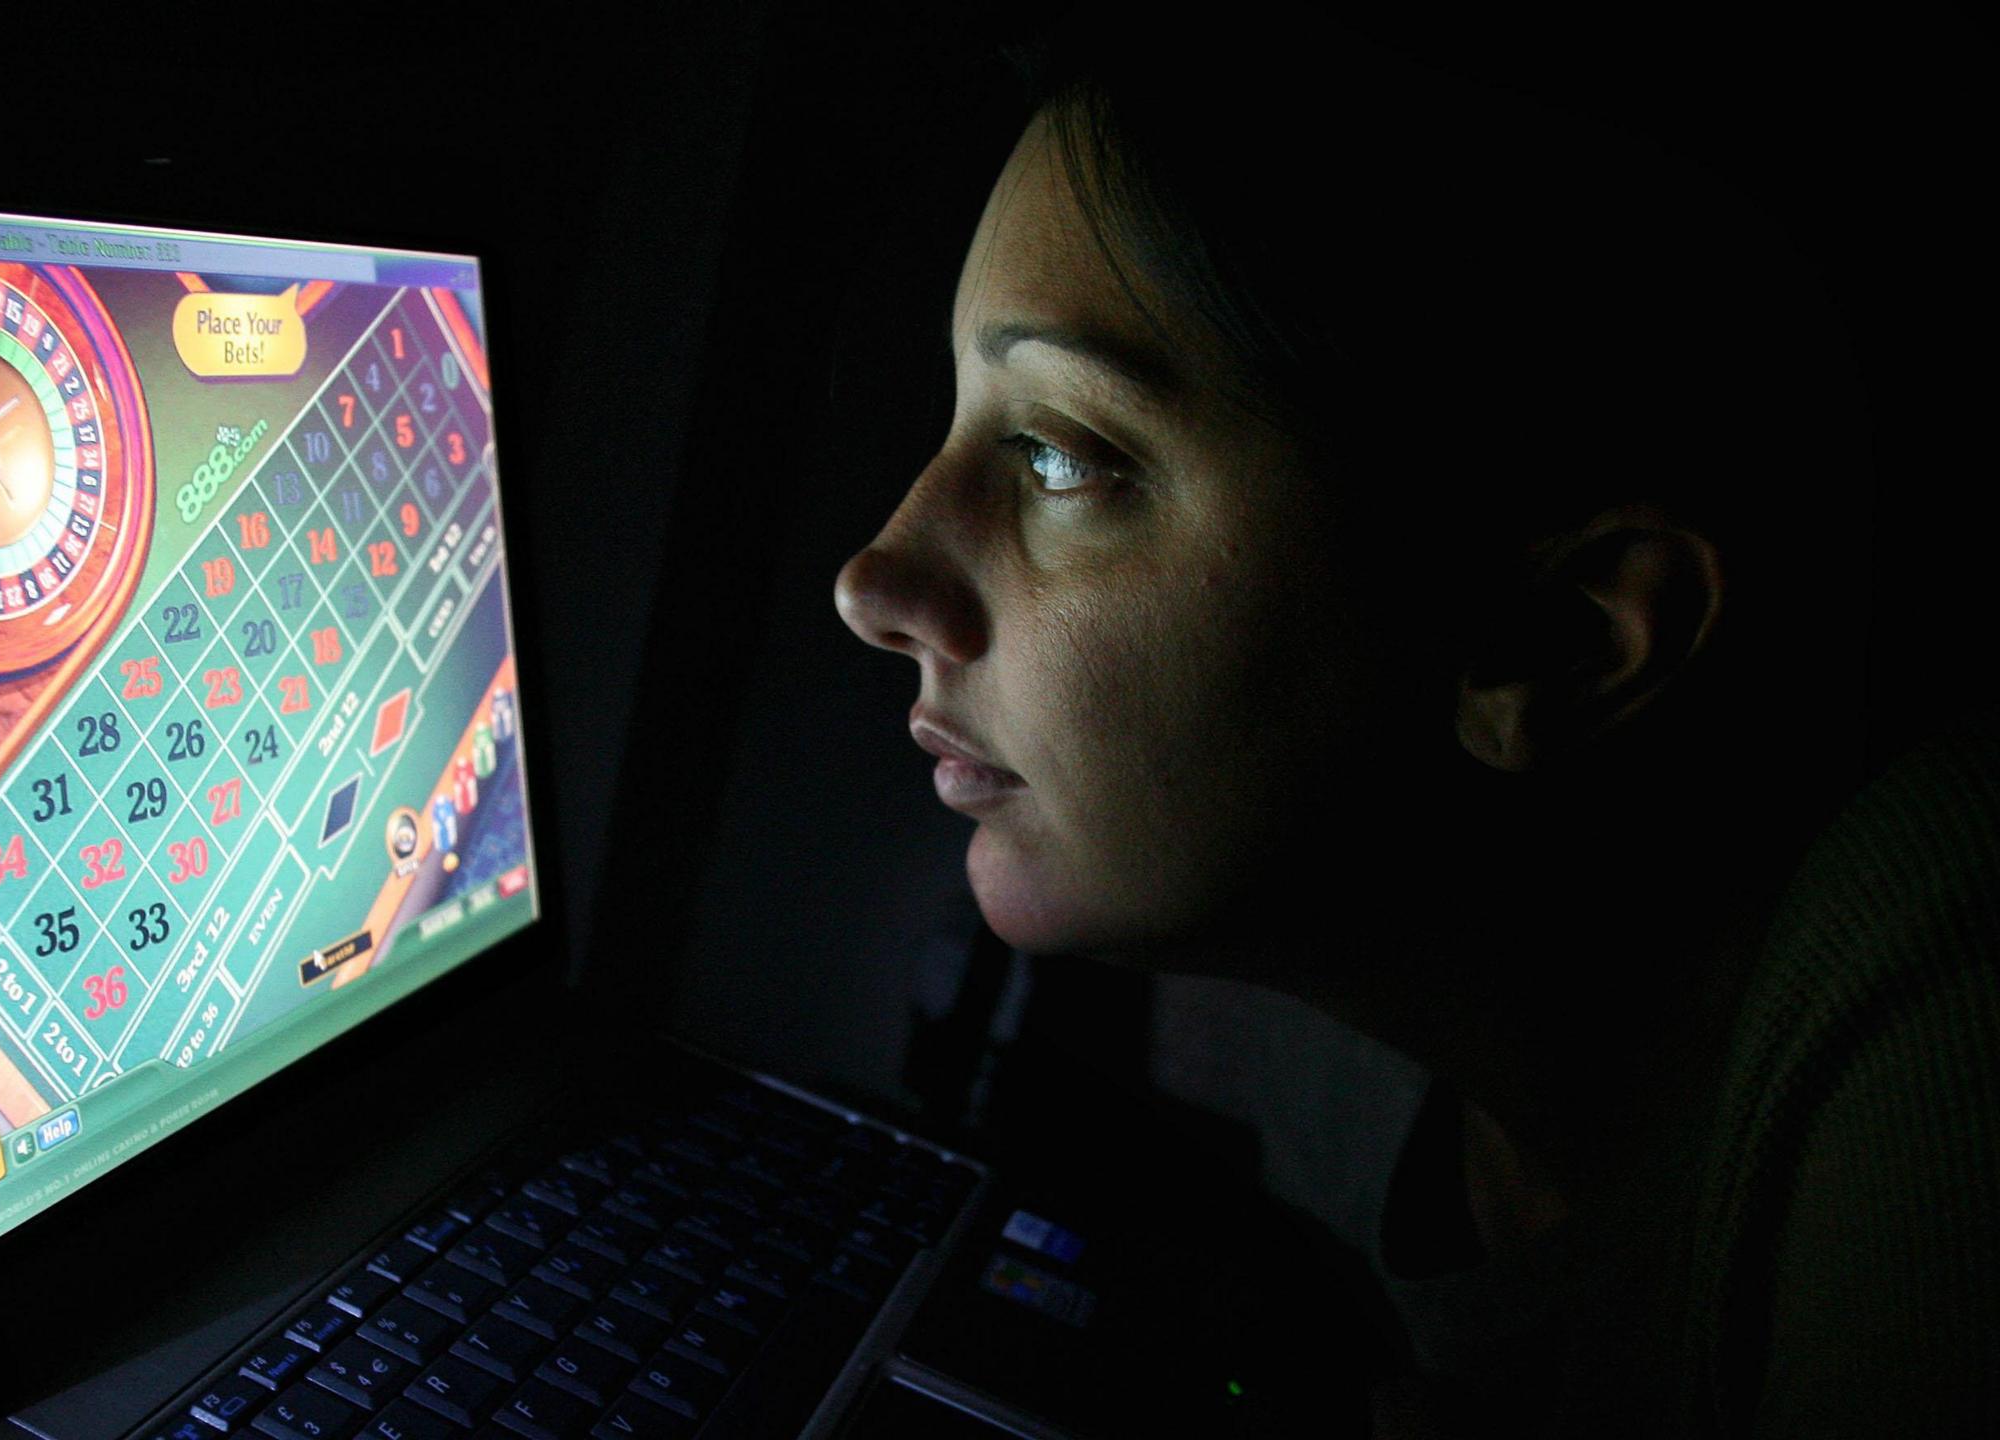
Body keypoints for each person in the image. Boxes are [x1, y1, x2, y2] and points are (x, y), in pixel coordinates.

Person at [834, 12, 1995, 1436]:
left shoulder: (1951, 1008)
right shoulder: (1353, 1075)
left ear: (1553, 642)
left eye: (1062, 453)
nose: (873, 581)